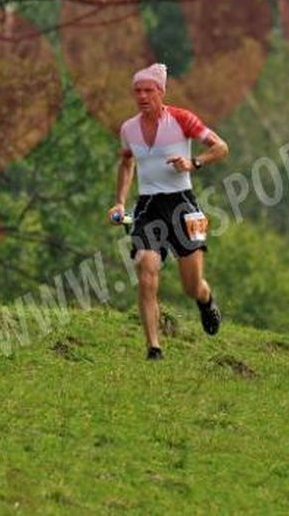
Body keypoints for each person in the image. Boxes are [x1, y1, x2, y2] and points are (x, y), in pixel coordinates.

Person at [109, 63, 229, 360]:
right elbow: (127, 163)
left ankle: (205, 299)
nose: (142, 96)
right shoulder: (129, 128)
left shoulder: (182, 119)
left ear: (161, 92)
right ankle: (154, 347)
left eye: (148, 90)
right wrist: (120, 202)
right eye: (137, 91)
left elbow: (221, 147)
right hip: (148, 206)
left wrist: (194, 163)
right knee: (145, 269)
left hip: (183, 205)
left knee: (191, 286)